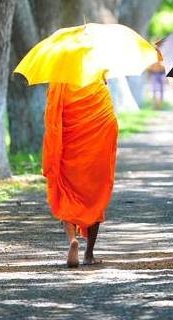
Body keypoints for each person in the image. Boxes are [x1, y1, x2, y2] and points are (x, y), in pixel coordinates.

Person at [42, 80, 118, 268]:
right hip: (96, 145)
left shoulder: (59, 81)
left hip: (69, 146)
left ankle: (71, 241)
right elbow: (109, 117)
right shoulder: (97, 76)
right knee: (94, 196)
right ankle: (89, 254)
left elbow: (52, 117)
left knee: (67, 193)